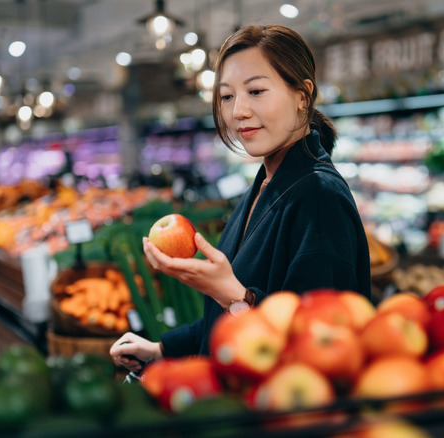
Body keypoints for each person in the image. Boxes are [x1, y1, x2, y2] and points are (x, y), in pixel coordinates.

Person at [110, 24, 372, 372]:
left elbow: (320, 344)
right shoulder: (266, 181)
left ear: (302, 96)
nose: (238, 113)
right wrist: (162, 348)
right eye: (227, 96)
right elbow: (224, 319)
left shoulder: (319, 199)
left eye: (256, 91)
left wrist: (233, 295)